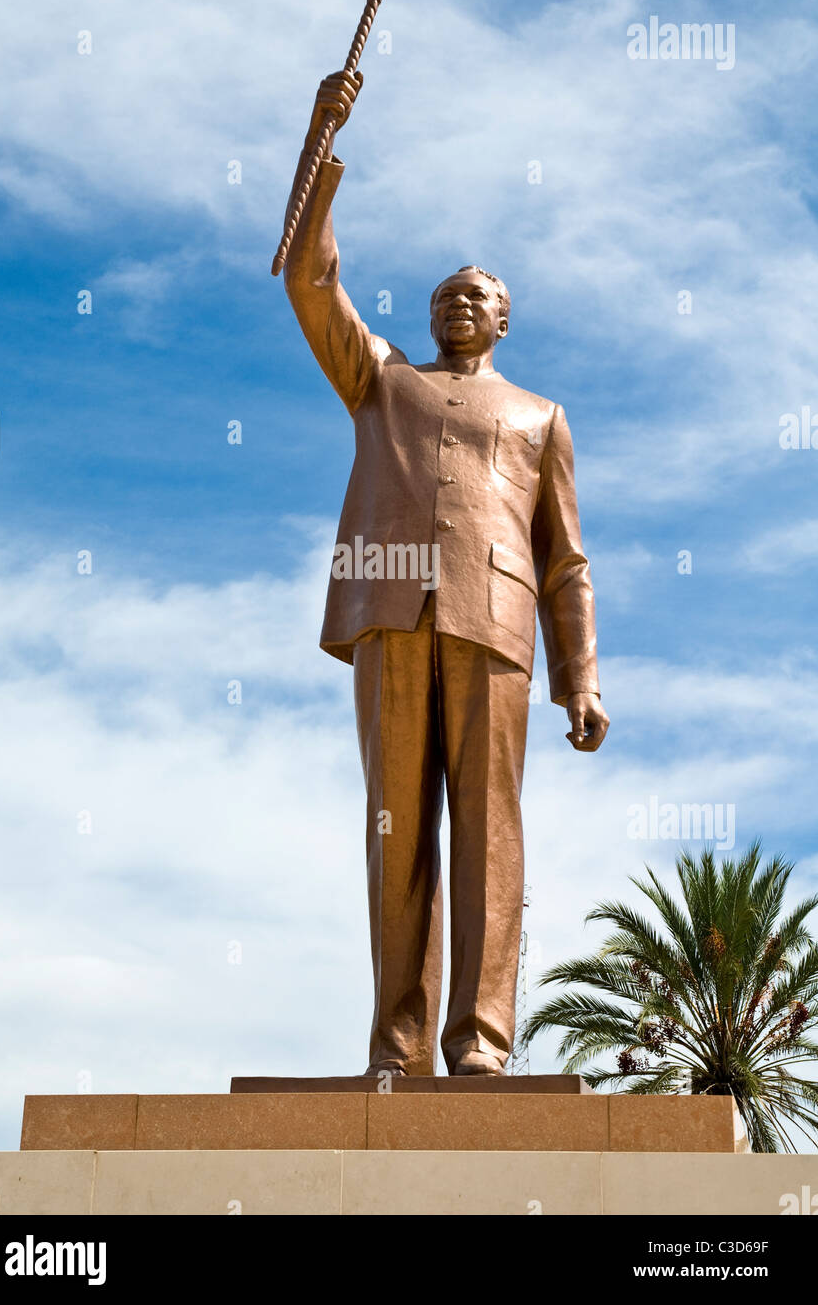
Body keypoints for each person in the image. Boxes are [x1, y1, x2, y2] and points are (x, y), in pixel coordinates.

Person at [281, 69, 609, 1076]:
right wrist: (318, 141)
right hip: (390, 610)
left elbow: (565, 559)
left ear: (502, 319)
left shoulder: (538, 416)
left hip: (495, 627)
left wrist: (580, 674)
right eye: (441, 296)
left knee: (487, 833)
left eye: (475, 295)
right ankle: (395, 1043)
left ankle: (480, 1043)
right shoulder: (381, 380)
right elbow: (305, 276)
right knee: (395, 831)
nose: (455, 304)